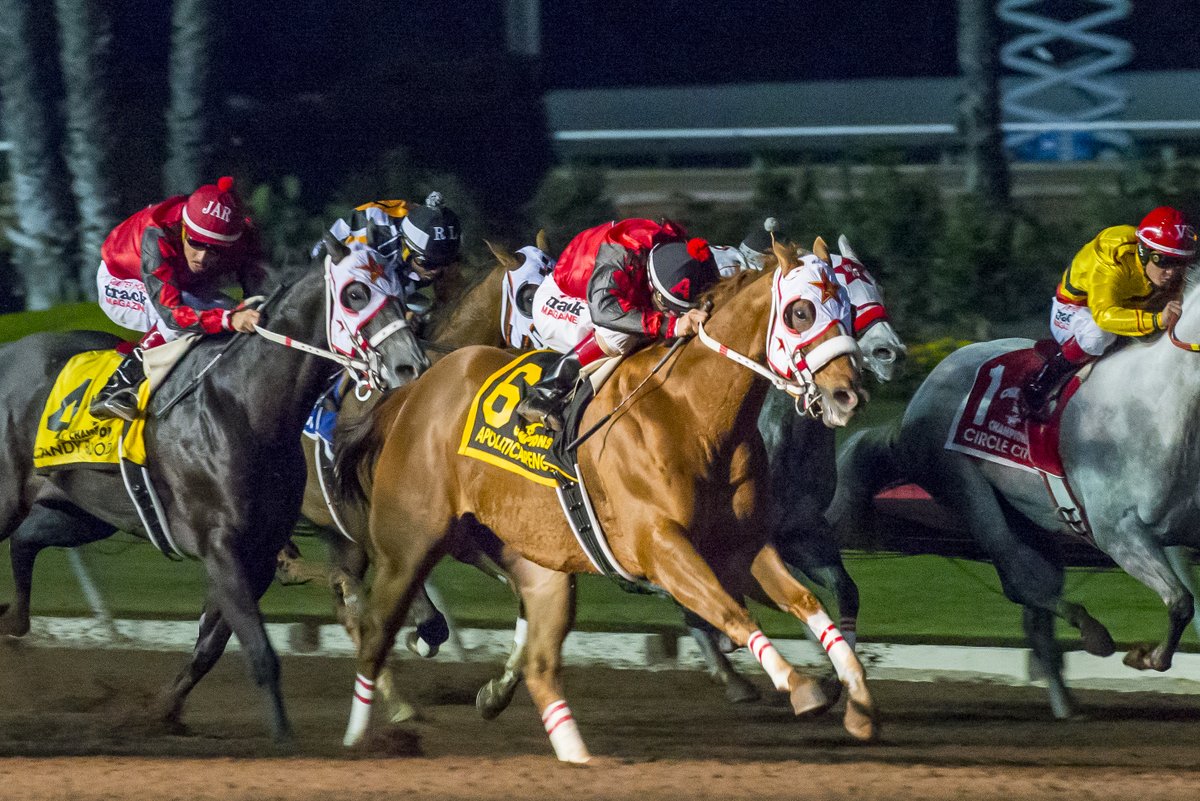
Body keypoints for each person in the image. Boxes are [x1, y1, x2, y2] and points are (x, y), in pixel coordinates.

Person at [90, 176, 267, 421]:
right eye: (195, 243)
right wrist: (229, 320)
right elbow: (172, 315)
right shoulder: (158, 233)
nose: (203, 258)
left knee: (232, 312)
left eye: (215, 249)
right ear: (183, 227)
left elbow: (259, 290)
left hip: (183, 283)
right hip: (122, 279)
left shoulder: (244, 233)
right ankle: (118, 386)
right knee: (186, 321)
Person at [516, 218, 720, 431]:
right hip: (557, 297)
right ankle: (544, 392)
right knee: (620, 335)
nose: (670, 314)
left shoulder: (676, 251)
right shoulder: (623, 252)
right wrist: (671, 325)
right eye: (666, 307)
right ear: (653, 286)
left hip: (606, 290)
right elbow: (604, 311)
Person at [1020, 206, 1197, 420]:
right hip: (1077, 310)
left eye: (1180, 263)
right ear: (1144, 251)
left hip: (1129, 311)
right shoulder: (1113, 257)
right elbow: (1104, 316)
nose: (1171, 272)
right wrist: (1158, 319)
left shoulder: (1170, 270)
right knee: (1098, 334)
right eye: (1164, 261)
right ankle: (1040, 384)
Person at [320, 191, 462, 323]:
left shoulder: (437, 249)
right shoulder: (375, 236)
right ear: (406, 249)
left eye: (445, 262)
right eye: (428, 263)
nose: (436, 270)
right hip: (335, 274)